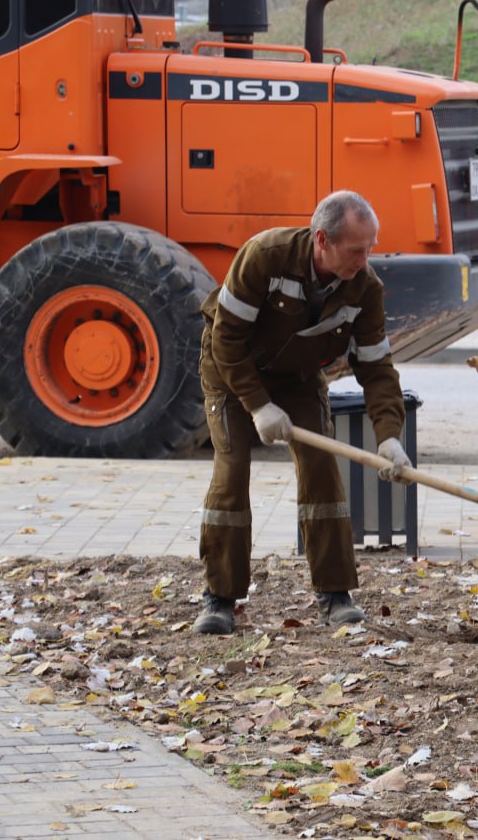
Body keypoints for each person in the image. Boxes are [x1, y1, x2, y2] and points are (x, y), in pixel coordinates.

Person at [191, 190, 412, 635]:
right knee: (232, 471)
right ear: (321, 241)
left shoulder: (365, 287)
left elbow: (377, 367)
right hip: (231, 371)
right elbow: (227, 342)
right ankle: (219, 598)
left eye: (370, 248)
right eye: (356, 250)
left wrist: (389, 436)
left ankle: (335, 596)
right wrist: (257, 406)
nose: (364, 260)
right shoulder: (264, 258)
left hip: (297, 377)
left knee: (321, 469)